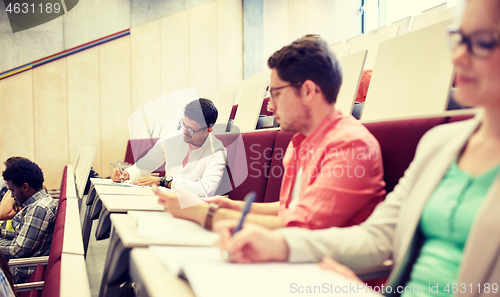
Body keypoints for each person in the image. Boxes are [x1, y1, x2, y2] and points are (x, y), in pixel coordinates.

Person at [215, 0, 500, 295]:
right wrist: (277, 244)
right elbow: (379, 237)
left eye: (481, 42)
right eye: (457, 39)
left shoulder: (351, 142)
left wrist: (214, 216)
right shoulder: (439, 144)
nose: (457, 56)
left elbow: (306, 222)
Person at [155, 35, 386, 230]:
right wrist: (230, 206)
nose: (270, 106)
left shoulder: (352, 145)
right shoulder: (300, 142)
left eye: (276, 93)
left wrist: (207, 214)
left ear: (306, 91)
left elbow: (302, 225)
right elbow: (289, 207)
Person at [111, 98, 227, 196]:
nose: (185, 131)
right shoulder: (170, 140)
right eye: (184, 124)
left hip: (191, 206)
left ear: (208, 130)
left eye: (191, 129)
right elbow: (144, 166)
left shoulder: (217, 151)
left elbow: (206, 190)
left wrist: (165, 182)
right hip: (164, 199)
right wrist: (126, 174)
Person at [1, 159, 58, 283]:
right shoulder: (40, 202)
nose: (11, 196)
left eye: (12, 190)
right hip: (19, 267)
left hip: (19, 273)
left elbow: (17, 250)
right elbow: (21, 236)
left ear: (25, 187)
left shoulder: (38, 209)